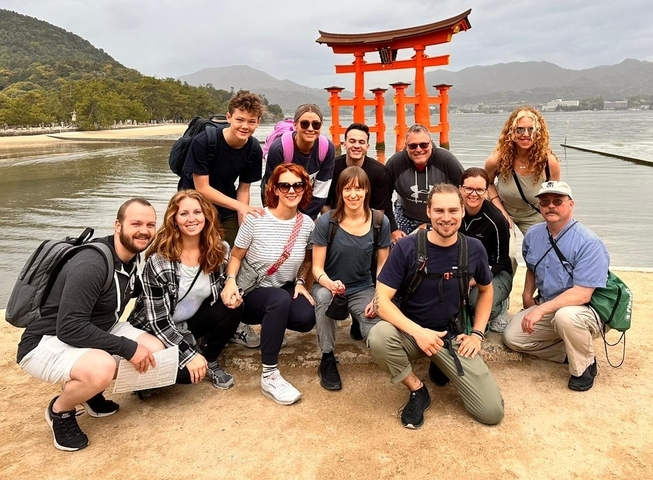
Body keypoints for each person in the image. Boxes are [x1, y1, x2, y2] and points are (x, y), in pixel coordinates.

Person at [16, 198, 165, 452]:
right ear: (118, 225)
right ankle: (60, 411)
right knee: (103, 367)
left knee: (155, 349)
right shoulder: (92, 264)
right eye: (136, 223)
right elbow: (69, 327)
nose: (144, 230)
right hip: (46, 340)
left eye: (150, 224)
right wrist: (127, 348)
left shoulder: (133, 257)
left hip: (95, 328)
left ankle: (88, 392)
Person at [368, 183, 504, 429]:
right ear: (428, 212)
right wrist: (419, 333)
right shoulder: (407, 248)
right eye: (439, 211)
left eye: (453, 210)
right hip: (410, 333)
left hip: (450, 335)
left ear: (463, 211)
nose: (446, 218)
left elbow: (486, 290)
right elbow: (381, 301)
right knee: (378, 335)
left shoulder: (473, 249)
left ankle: (439, 362)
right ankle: (417, 389)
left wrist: (477, 334)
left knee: (491, 412)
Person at [128, 190, 243, 390]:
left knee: (234, 306)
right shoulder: (159, 261)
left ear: (206, 216)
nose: (192, 219)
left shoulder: (219, 250)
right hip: (156, 330)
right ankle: (156, 374)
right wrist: (190, 355)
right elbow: (159, 322)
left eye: (197, 212)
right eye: (184, 214)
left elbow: (226, 282)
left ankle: (211, 361)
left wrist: (231, 285)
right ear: (174, 219)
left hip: (190, 322)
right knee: (186, 376)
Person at [221, 164, 316, 405]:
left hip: (282, 288)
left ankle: (273, 329)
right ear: (274, 188)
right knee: (278, 299)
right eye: (285, 185)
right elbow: (236, 256)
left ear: (305, 189)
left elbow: (307, 260)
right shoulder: (256, 219)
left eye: (298, 185)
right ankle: (269, 374)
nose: (291, 190)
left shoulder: (307, 225)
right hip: (252, 293)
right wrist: (230, 281)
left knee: (306, 317)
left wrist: (302, 282)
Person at [503, 181, 609, 392]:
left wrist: (540, 309)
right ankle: (571, 350)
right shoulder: (533, 234)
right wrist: (527, 295)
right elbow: (532, 266)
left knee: (566, 317)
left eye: (557, 201)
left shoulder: (589, 242)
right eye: (545, 201)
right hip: (550, 305)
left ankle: (584, 366)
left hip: (586, 310)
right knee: (512, 338)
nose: (551, 206)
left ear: (571, 205)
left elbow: (582, 293)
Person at [180, 89, 265, 349]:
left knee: (232, 260)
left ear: (258, 122)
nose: (245, 126)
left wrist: (245, 227)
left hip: (227, 206)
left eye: (251, 121)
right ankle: (190, 319)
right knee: (195, 261)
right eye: (240, 119)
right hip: (194, 207)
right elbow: (201, 188)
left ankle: (230, 317)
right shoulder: (206, 141)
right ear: (229, 117)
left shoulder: (253, 148)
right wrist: (241, 206)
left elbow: (244, 189)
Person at [312, 166, 391, 390]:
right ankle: (327, 356)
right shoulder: (327, 222)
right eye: (347, 189)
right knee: (326, 298)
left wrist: (377, 298)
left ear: (367, 191)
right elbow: (316, 269)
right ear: (340, 192)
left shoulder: (379, 221)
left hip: (361, 286)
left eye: (359, 188)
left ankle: (359, 321)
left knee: (374, 334)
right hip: (329, 285)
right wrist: (329, 283)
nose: (353, 194)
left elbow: (382, 267)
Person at [323, 122, 393, 340]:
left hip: (369, 223)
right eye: (352, 141)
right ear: (344, 143)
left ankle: (359, 314)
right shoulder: (331, 167)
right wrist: (339, 223)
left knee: (370, 258)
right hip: (335, 221)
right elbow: (323, 203)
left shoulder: (378, 171)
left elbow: (380, 210)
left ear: (368, 145)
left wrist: (361, 226)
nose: (356, 145)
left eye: (361, 142)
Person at [484, 106, 561, 235]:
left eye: (531, 129)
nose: (526, 134)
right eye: (520, 129)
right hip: (503, 208)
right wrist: (500, 210)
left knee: (542, 251)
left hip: (534, 213)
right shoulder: (497, 160)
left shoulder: (549, 162)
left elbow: (556, 196)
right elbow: (487, 183)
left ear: (538, 132)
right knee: (508, 253)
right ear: (511, 132)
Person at [385, 124, 464, 243]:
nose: (418, 149)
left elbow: (464, 193)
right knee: (398, 247)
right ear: (406, 146)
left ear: (431, 144)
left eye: (423, 145)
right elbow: (383, 198)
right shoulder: (395, 164)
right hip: (406, 215)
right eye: (412, 146)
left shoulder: (447, 161)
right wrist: (393, 229)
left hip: (441, 217)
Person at [459, 167, 513, 333]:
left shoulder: (496, 220)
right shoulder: (452, 213)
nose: (473, 194)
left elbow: (501, 262)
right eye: (468, 188)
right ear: (460, 188)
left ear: (486, 191)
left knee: (477, 305)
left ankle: (500, 307)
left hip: (495, 271)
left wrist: (470, 282)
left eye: (480, 190)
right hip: (461, 270)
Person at [263, 103, 336, 220]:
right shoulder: (278, 149)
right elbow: (270, 190)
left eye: (316, 125)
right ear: (295, 124)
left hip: (306, 194)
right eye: (305, 124)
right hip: (279, 195)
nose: (310, 129)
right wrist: (279, 219)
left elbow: (320, 192)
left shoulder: (327, 149)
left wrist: (303, 221)